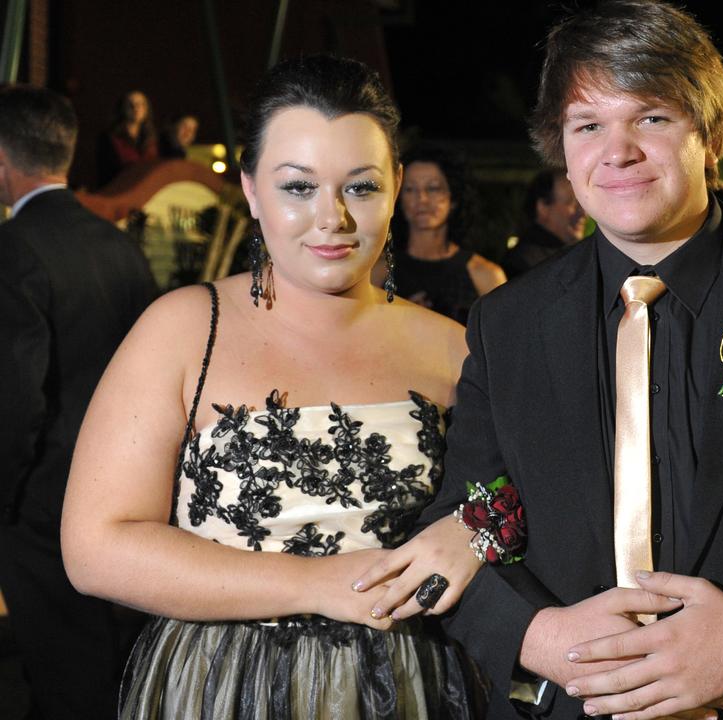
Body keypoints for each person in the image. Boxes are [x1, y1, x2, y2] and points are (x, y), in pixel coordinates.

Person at [354, 2, 723, 718]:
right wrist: (545, 639)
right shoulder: (509, 322)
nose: (619, 149)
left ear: (712, 133)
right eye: (588, 124)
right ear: (561, 148)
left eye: (652, 118)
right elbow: (463, 525)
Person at [62, 55, 487, 718]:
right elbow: (96, 547)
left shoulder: (457, 347)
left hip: (409, 688)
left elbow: (525, 500)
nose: (333, 219)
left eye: (361, 188)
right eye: (298, 187)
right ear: (253, 191)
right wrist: (319, 583)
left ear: (396, 186)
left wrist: (478, 528)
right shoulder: (181, 331)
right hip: (221, 687)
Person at [0, 84, 156, 720]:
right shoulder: (117, 243)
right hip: (119, 489)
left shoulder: (13, 248)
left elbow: (16, 401)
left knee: (60, 669)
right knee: (96, 658)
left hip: (38, 499)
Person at [372, 142, 505, 322]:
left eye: (433, 188)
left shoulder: (485, 276)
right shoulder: (378, 272)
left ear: (454, 198)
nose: (422, 199)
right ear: (398, 198)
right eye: (410, 189)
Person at [502, 168, 586, 279]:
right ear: (543, 208)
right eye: (571, 203)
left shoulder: (576, 254)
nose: (583, 212)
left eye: (582, 202)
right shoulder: (524, 264)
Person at [97, 89, 158, 186]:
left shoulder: (151, 139)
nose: (136, 108)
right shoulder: (109, 138)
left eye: (141, 104)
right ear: (122, 108)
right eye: (130, 104)